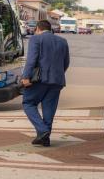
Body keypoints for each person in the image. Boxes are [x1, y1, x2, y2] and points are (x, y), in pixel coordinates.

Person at [21, 19, 70, 147]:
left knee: (28, 103)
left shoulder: (36, 39)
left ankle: (43, 131)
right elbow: (66, 63)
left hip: (39, 80)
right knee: (49, 110)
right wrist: (57, 74)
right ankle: (45, 139)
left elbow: (31, 60)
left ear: (38, 28)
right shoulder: (63, 41)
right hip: (57, 81)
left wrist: (26, 77)